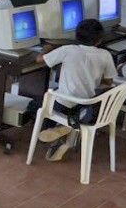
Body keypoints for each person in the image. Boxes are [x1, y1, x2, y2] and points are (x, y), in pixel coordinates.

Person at [34, 19, 117, 161]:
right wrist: (93, 79)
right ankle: (70, 131)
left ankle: (62, 129)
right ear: (100, 40)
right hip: (86, 105)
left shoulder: (68, 50)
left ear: (76, 36)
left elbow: (39, 59)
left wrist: (47, 48)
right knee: (81, 106)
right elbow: (109, 82)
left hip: (62, 104)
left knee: (35, 105)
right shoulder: (105, 55)